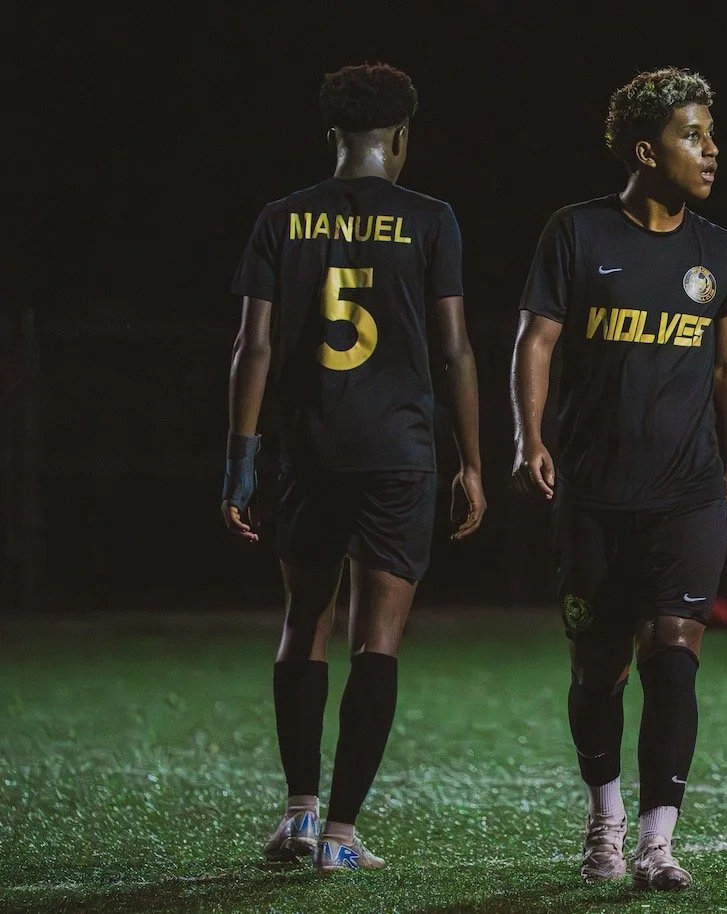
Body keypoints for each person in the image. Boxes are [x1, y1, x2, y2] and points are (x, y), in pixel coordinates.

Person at [220, 62, 486, 874]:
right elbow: (453, 349)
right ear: (400, 137)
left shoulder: (281, 217)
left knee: (304, 622)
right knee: (378, 637)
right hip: (399, 453)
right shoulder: (431, 218)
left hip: (310, 450)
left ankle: (297, 814)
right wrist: (472, 461)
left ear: (333, 136)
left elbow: (253, 347)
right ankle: (340, 834)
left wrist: (241, 457)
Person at [510, 66, 727, 892]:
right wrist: (529, 438)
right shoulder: (577, 233)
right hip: (594, 492)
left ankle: (657, 843)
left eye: (712, 135)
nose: (711, 150)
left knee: (674, 653)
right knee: (597, 669)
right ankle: (604, 818)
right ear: (647, 150)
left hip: (687, 491)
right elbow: (536, 340)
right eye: (693, 135)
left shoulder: (720, 250)